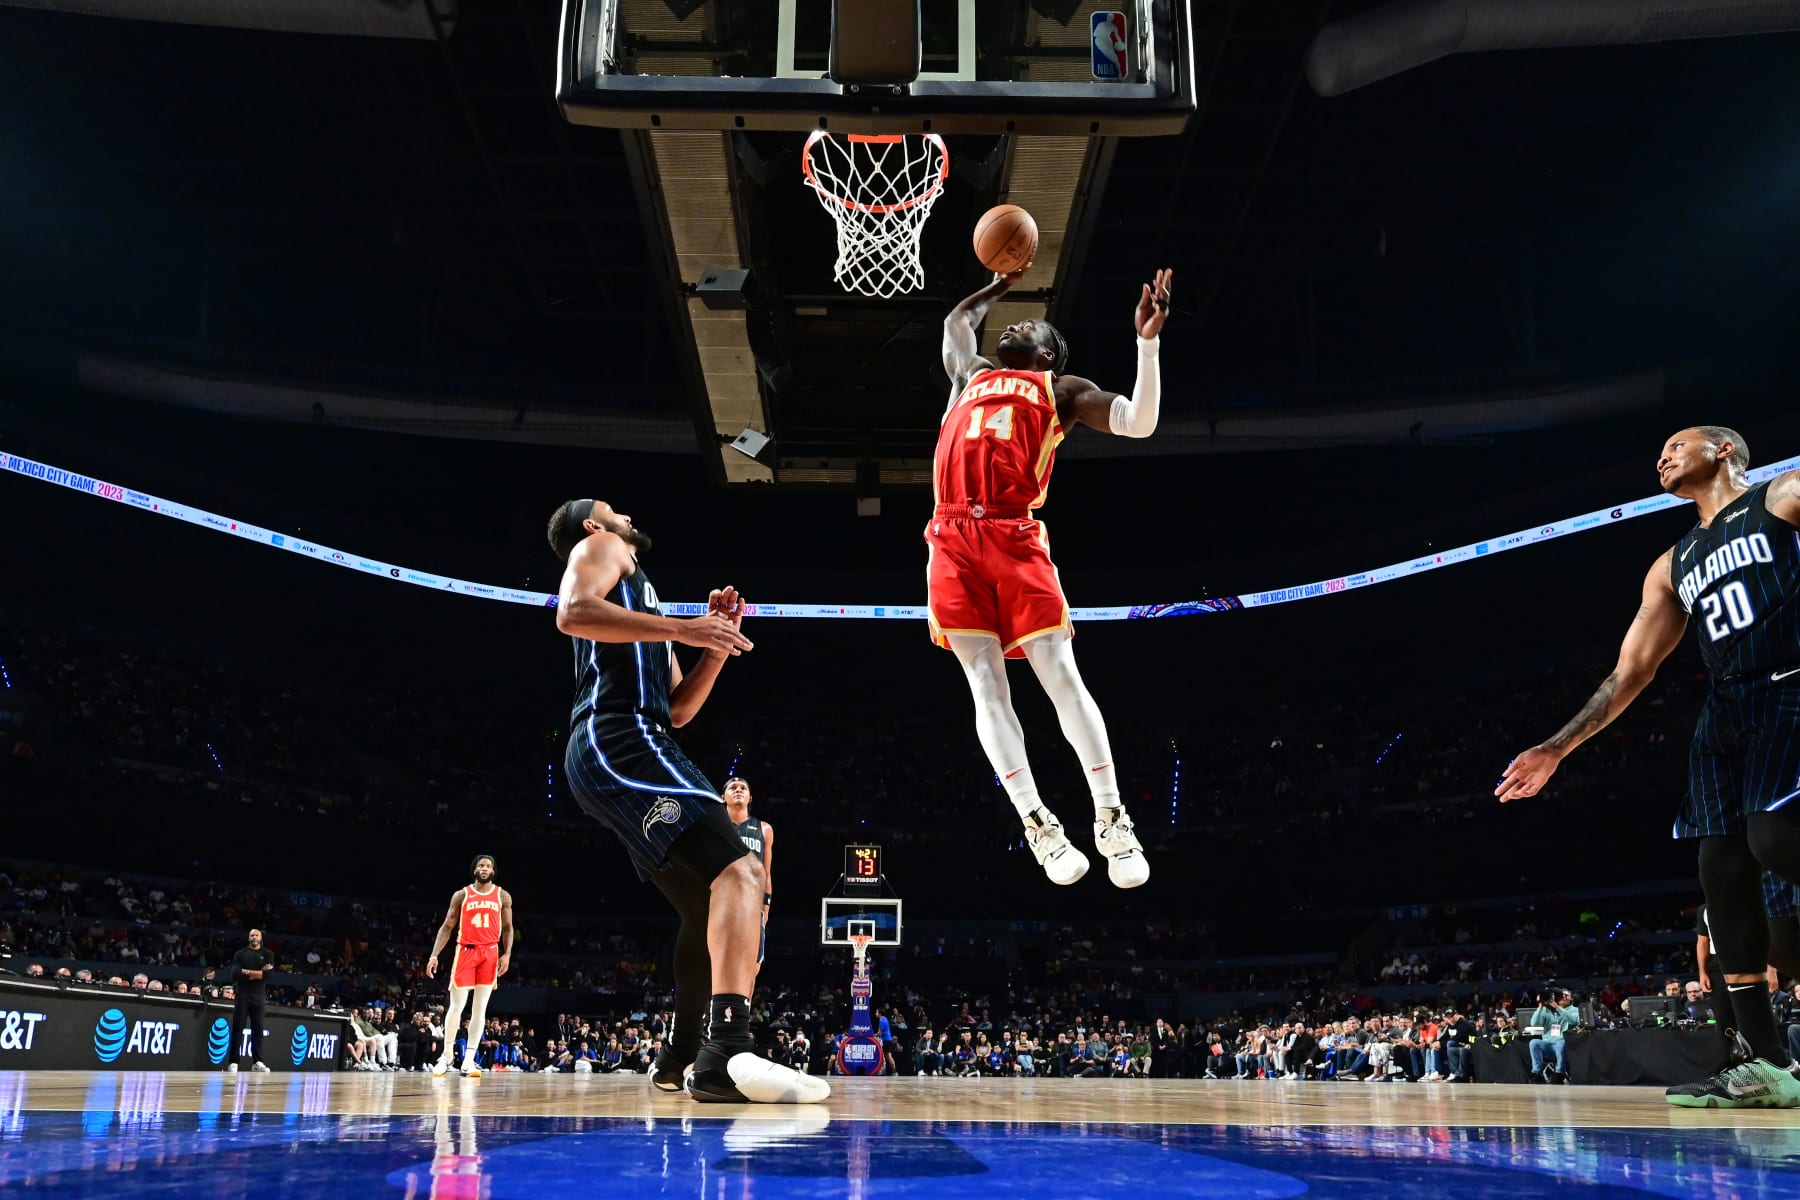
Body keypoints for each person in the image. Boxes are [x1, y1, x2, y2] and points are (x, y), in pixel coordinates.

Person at [1498, 426, 1800, 1107]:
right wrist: (1557, 747)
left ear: (1724, 450)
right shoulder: (1673, 562)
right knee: (1722, 875)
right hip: (1726, 712)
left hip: (1790, 684)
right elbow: (1631, 670)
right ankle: (1768, 1063)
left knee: (1775, 837)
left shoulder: (1782, 496)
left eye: (1677, 445)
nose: (1662, 456)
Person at [547, 498, 828, 1105]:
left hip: (637, 739)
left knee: (707, 908)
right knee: (742, 867)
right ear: (593, 525)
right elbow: (570, 613)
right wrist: (683, 627)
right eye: (613, 510)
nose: (626, 515)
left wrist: (714, 646)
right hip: (616, 737)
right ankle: (726, 1050)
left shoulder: (641, 601)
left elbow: (678, 709)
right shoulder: (601, 548)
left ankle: (678, 1059)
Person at [931, 266, 1173, 887]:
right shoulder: (971, 374)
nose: (1014, 324)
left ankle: (1112, 818)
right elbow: (957, 322)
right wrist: (995, 285)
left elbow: (1139, 422)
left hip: (1014, 536)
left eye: (1029, 325)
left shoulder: (1060, 389)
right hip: (951, 538)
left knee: (1060, 675)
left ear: (1048, 353)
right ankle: (1038, 824)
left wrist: (1146, 345)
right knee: (986, 686)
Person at [425, 854, 513, 1078]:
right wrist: (434, 955)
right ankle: (446, 1056)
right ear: (474, 870)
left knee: (480, 1008)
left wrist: (507, 954)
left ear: (493, 871)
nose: (484, 868)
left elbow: (508, 928)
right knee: (456, 1006)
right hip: (465, 951)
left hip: (490, 952)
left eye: (488, 866)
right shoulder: (462, 894)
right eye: (481, 865)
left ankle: (469, 1060)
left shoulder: (502, 895)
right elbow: (447, 926)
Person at [722, 777, 772, 971]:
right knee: (718, 964)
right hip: (722, 901)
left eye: (743, 788)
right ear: (723, 797)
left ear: (750, 797)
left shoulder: (764, 829)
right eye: (733, 787)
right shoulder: (715, 827)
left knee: (751, 967)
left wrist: (766, 907)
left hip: (752, 903)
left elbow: (767, 873)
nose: (738, 790)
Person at [226, 927, 273, 1073]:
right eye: (252, 935)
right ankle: (233, 1062)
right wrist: (258, 973)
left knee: (258, 1028)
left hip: (259, 996)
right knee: (238, 1027)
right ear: (248, 938)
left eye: (256, 935)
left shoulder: (267, 954)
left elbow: (268, 975)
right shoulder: (240, 954)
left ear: (260, 938)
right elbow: (235, 974)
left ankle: (257, 1062)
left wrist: (246, 972)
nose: (254, 937)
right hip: (242, 994)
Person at [1526, 989, 1581, 1083]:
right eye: (1562, 995)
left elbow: (1573, 1021)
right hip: (1548, 1045)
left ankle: (1559, 1072)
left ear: (1571, 999)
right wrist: (1540, 1007)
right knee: (1534, 1043)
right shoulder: (1546, 1010)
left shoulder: (1574, 1010)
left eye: (1566, 995)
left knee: (1561, 1043)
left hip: (1563, 1045)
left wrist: (1558, 1008)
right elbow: (1534, 1024)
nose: (1563, 997)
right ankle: (1537, 1073)